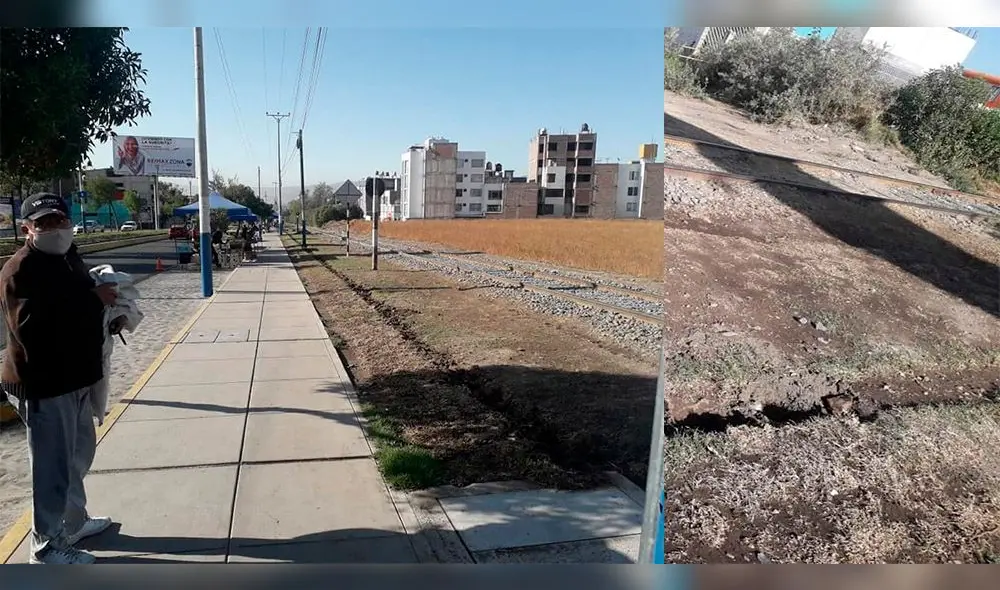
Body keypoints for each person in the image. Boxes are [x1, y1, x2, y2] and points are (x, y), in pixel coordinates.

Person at [0, 193, 119, 564]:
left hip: (77, 377)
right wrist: (93, 303)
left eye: (60, 221)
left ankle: (72, 520)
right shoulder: (19, 271)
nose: (56, 229)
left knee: (78, 454)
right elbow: (33, 331)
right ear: (27, 229)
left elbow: (79, 303)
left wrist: (109, 314)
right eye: (45, 223)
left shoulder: (69, 257)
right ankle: (46, 545)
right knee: (52, 466)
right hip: (44, 384)